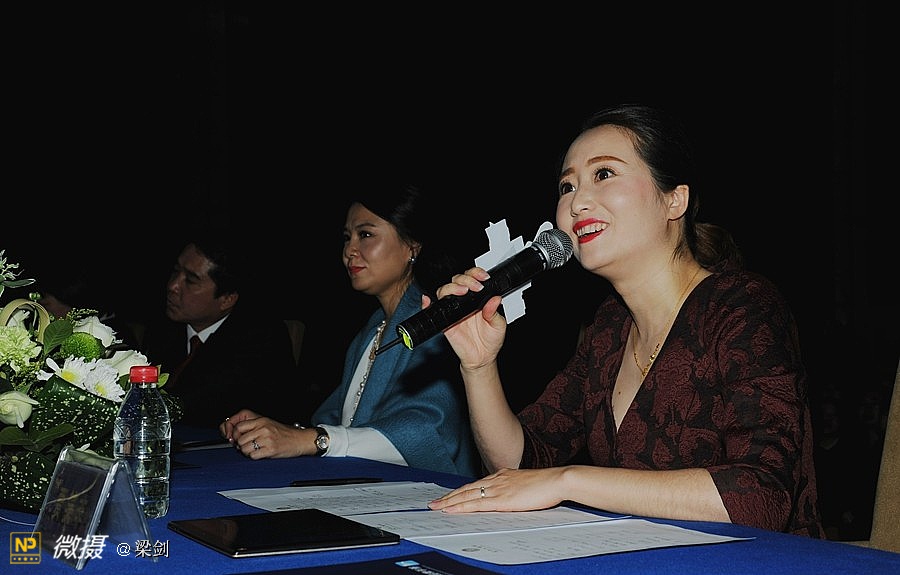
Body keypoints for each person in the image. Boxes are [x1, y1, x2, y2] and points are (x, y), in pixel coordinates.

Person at [427, 103, 823, 537]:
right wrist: (479, 367)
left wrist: (569, 481)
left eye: (604, 173)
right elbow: (520, 467)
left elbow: (761, 496)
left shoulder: (742, 305)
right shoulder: (610, 328)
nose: (577, 202)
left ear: (674, 199)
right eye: (566, 186)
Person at [220, 183, 481, 477]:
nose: (349, 250)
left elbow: (423, 431)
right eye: (347, 237)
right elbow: (340, 423)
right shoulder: (372, 330)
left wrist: (312, 440)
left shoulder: (434, 323)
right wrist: (271, 431)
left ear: (412, 246)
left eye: (365, 235)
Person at [141, 229, 300, 428]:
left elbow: (198, 402)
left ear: (227, 299)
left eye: (190, 280)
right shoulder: (164, 326)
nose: (172, 286)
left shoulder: (259, 337)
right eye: (175, 271)